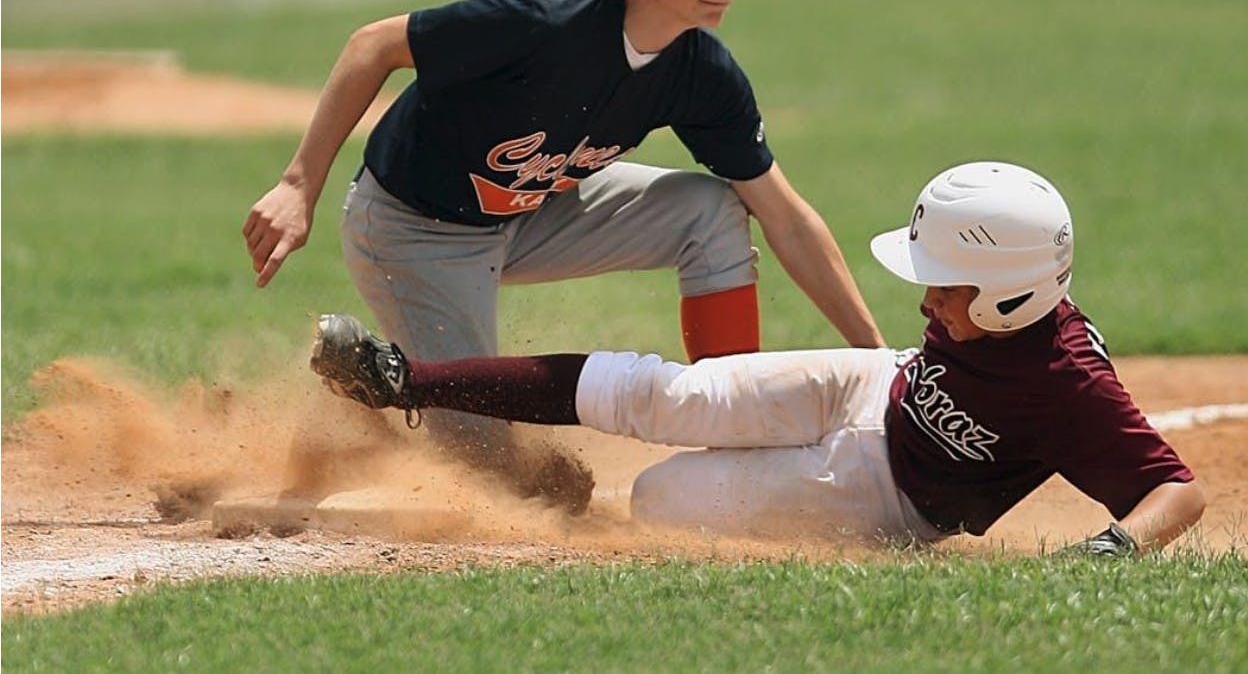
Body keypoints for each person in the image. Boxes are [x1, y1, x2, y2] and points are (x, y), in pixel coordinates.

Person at [242, 0, 885, 513]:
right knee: (492, 473)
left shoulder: (701, 73)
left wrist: (879, 362)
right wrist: (299, 184)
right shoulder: (543, 22)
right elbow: (371, 45)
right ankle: (358, 411)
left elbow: (787, 217)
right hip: (414, 231)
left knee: (712, 208)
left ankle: (733, 430)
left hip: (529, 212)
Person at [308, 161, 1205, 554]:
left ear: (1013, 293)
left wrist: (1116, 549)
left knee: (663, 498)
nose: (928, 297)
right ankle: (401, 380)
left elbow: (1178, 489)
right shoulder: (985, 312)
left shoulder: (1071, 387)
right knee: (667, 395)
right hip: (874, 383)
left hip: (894, 498)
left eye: (949, 286)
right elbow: (930, 333)